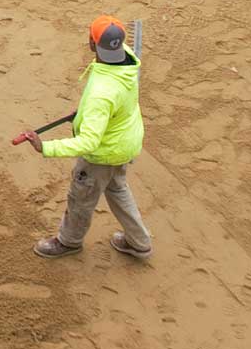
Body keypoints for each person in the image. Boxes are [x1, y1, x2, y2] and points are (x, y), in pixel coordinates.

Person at [15, 15, 153, 260]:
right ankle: (139, 242)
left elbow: (89, 142)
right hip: (124, 143)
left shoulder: (102, 94)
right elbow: (112, 105)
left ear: (92, 43)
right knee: (117, 189)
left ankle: (68, 242)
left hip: (103, 154)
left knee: (81, 196)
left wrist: (45, 147)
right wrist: (83, 114)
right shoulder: (128, 59)